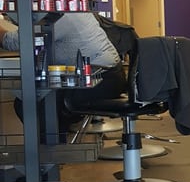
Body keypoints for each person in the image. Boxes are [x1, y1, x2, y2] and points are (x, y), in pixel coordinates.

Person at [0, 12, 127, 140]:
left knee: (32, 102)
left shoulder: (59, 18)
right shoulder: (73, 9)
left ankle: (52, 147)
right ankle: (55, 143)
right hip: (111, 76)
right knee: (38, 99)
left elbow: (13, 41)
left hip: (99, 81)